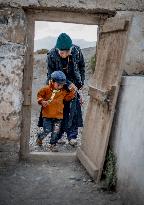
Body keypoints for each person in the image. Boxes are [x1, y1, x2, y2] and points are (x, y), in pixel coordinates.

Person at [38, 33, 85, 146]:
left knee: (73, 110)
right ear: (57, 49)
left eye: (68, 52)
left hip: (74, 85)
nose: (65, 54)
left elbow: (82, 67)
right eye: (62, 52)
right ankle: (57, 137)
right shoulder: (51, 55)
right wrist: (67, 83)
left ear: (71, 48)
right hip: (57, 87)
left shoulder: (77, 51)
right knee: (58, 112)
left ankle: (72, 136)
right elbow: (50, 75)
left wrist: (81, 83)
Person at [36, 71, 75, 152]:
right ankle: (40, 137)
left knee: (56, 132)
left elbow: (67, 98)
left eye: (62, 85)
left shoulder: (63, 92)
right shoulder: (46, 89)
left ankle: (52, 144)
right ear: (52, 81)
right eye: (58, 84)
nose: (60, 86)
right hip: (47, 115)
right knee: (47, 130)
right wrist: (41, 101)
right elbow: (39, 95)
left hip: (58, 116)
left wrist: (72, 91)